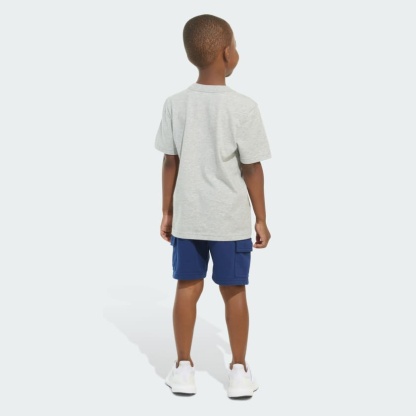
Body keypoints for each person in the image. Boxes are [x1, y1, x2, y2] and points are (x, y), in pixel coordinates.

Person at [154, 13, 272, 398]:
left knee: (187, 287)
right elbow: (251, 168)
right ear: (226, 53)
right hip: (230, 220)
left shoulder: (176, 104)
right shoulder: (244, 107)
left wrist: (167, 211)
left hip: (189, 218)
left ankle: (183, 367)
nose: (236, 52)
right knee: (234, 291)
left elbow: (169, 161)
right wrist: (261, 218)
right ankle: (238, 370)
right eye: (235, 46)